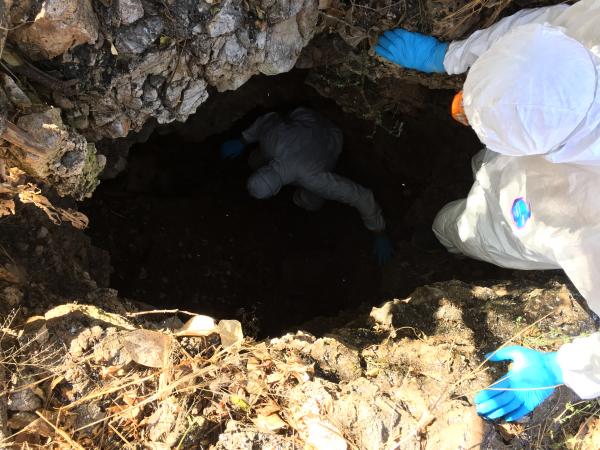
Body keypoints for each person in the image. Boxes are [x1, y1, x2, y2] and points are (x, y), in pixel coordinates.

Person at [375, 0, 600, 422]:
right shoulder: (592, 25)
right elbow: (537, 26)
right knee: (489, 164)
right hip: (521, 160)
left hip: (531, 222)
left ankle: (443, 240)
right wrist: (448, 57)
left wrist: (564, 368)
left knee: (464, 228)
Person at [220, 107, 394, 265]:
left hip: (331, 139)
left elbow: (360, 195)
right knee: (254, 159)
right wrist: (243, 140)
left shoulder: (314, 180)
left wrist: (380, 232)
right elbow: (270, 118)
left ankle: (298, 200)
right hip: (308, 116)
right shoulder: (271, 142)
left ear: (277, 192)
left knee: (312, 202)